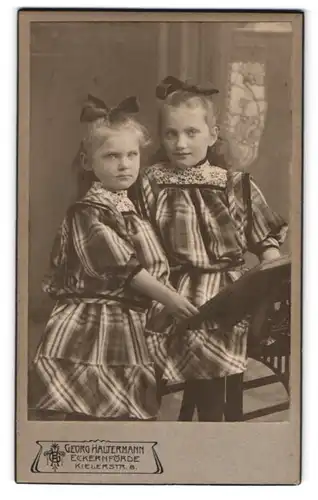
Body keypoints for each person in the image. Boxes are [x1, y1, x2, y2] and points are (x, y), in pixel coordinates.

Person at [30, 94, 198, 422]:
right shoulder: (87, 212)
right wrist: (171, 299)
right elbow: (125, 268)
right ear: (88, 162)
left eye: (132, 154)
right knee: (91, 415)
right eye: (112, 156)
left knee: (122, 416)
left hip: (128, 324)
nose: (124, 164)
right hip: (94, 327)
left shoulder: (126, 206)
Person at [136, 76, 288, 422]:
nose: (180, 143)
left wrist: (270, 282)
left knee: (208, 331)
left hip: (226, 291)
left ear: (212, 135)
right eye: (171, 134)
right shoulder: (151, 182)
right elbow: (137, 241)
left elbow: (266, 242)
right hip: (168, 286)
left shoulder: (233, 184)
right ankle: (183, 418)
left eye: (191, 133)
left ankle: (212, 417)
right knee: (143, 333)